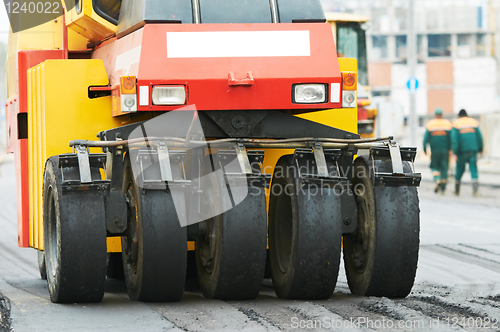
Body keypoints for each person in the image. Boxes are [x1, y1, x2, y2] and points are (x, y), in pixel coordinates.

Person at [451, 109, 483, 196]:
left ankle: (457, 190)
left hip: (461, 152)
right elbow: (479, 137)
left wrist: (455, 152)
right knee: (473, 169)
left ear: (459, 116)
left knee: (459, 169)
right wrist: (480, 149)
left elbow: (455, 140)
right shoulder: (474, 122)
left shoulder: (456, 124)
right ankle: (475, 190)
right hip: (473, 150)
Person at [423, 108, 452, 194]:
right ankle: (443, 189)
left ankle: (437, 179)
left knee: (434, 167)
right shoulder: (447, 124)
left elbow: (425, 138)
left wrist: (424, 148)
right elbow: (451, 138)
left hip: (434, 150)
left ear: (435, 115)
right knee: (444, 168)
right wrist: (451, 149)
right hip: (445, 151)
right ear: (442, 115)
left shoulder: (430, 124)